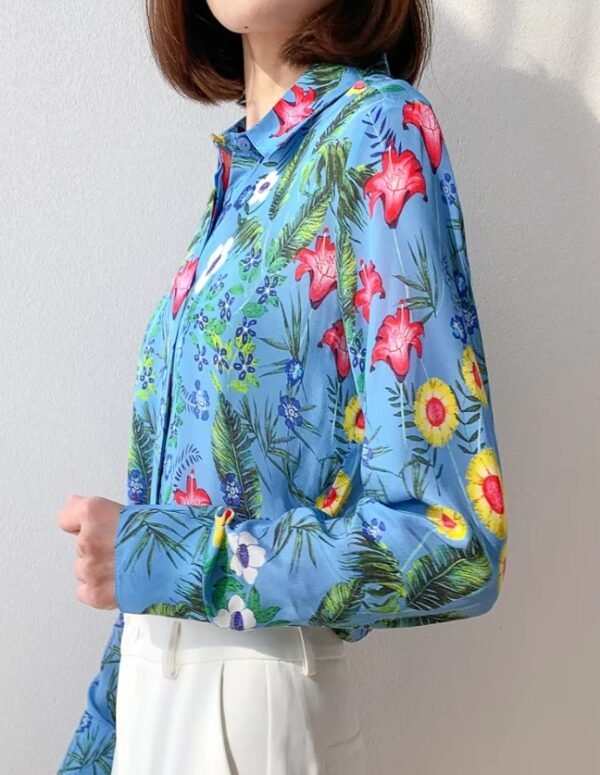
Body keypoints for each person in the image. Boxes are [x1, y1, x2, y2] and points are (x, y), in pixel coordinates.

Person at [57, 0, 508, 772]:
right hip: (152, 703)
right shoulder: (242, 185)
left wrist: (164, 554)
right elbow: (159, 550)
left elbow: (454, 541)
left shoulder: (380, 134)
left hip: (249, 721)